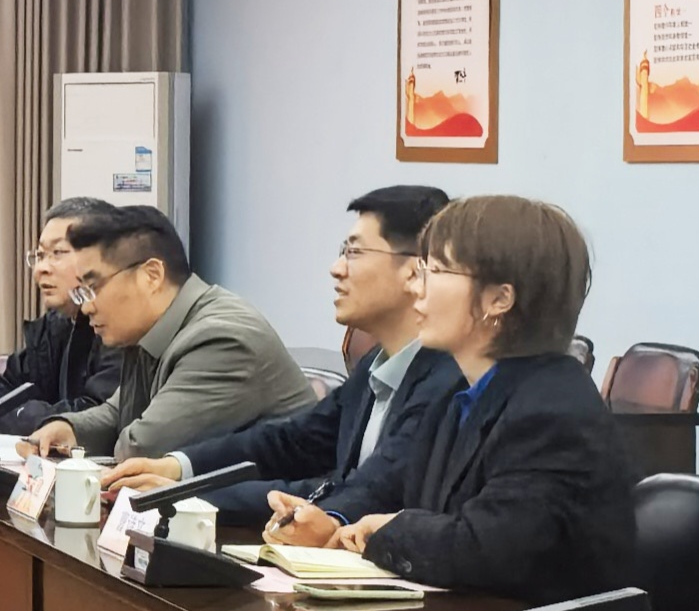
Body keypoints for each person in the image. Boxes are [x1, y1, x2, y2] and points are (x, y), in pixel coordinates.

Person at [273, 195, 636, 602]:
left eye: (435, 270)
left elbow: (485, 548)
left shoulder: (552, 410)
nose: (414, 285)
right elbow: (389, 484)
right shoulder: (458, 392)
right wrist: (328, 520)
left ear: (498, 299)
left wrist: (388, 531)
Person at [100, 187, 461, 522]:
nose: (337, 269)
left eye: (354, 252)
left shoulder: (449, 380)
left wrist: (187, 496)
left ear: (414, 270)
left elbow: (364, 493)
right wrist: (178, 467)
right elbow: (291, 442)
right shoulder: (374, 366)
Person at [27, 205, 315, 460]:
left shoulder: (221, 339)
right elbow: (118, 413)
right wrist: (69, 428)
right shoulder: (151, 330)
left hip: (274, 502)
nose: (86, 306)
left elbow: (143, 447)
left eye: (93, 288)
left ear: (151, 276)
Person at [0, 197, 120, 434]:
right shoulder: (56, 323)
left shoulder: (117, 330)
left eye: (57, 253)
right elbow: (13, 385)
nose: (40, 269)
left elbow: (91, 415)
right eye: (40, 255)